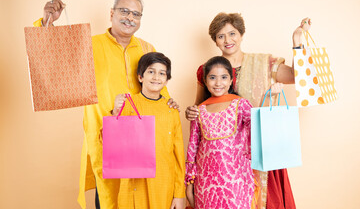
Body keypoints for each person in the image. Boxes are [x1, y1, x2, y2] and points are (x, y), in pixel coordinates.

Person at [34, 0, 179, 209]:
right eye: (124, 11)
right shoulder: (89, 46)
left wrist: (170, 104)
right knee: (111, 199)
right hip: (105, 139)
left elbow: (158, 88)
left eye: (136, 14)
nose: (130, 17)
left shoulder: (147, 48)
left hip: (143, 143)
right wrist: (47, 23)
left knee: (143, 198)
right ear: (111, 13)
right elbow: (54, 63)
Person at [185, 13, 311, 209]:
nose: (228, 40)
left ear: (241, 34)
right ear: (215, 41)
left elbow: (297, 76)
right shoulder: (208, 70)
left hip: (261, 149)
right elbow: (200, 107)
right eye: (221, 36)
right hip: (221, 162)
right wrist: (190, 112)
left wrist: (296, 40)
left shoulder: (265, 64)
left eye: (232, 33)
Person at [112, 52, 185, 208]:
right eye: (151, 71)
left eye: (162, 73)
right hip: (133, 184)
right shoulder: (128, 105)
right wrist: (115, 113)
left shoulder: (171, 110)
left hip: (163, 184)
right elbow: (111, 144)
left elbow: (178, 155)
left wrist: (179, 193)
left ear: (166, 80)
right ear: (140, 77)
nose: (156, 77)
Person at [185, 56, 255, 208]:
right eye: (212, 77)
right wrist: (189, 183)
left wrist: (273, 96)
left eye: (224, 77)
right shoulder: (199, 110)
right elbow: (192, 148)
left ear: (231, 81)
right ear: (205, 81)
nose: (218, 83)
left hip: (236, 182)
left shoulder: (240, 105)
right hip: (205, 186)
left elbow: (258, 129)